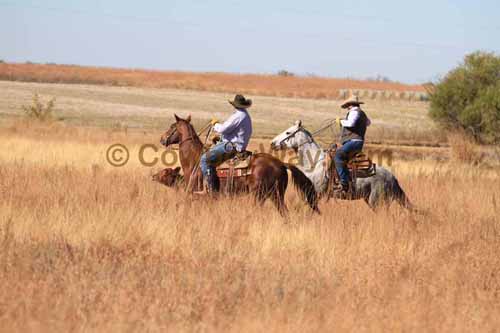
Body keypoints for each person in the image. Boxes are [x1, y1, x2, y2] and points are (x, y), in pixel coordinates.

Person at [197, 94, 253, 194]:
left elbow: (223, 129)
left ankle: (210, 189)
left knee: (204, 159)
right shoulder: (245, 115)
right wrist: (221, 138)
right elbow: (231, 131)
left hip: (231, 147)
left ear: (234, 105)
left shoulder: (238, 115)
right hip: (236, 145)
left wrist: (215, 124)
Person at [334, 95, 371, 194]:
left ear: (351, 104)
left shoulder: (354, 112)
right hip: (357, 141)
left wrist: (341, 121)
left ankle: (344, 183)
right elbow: (368, 123)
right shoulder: (361, 113)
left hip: (353, 141)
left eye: (347, 105)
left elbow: (350, 124)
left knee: (338, 156)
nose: (347, 107)